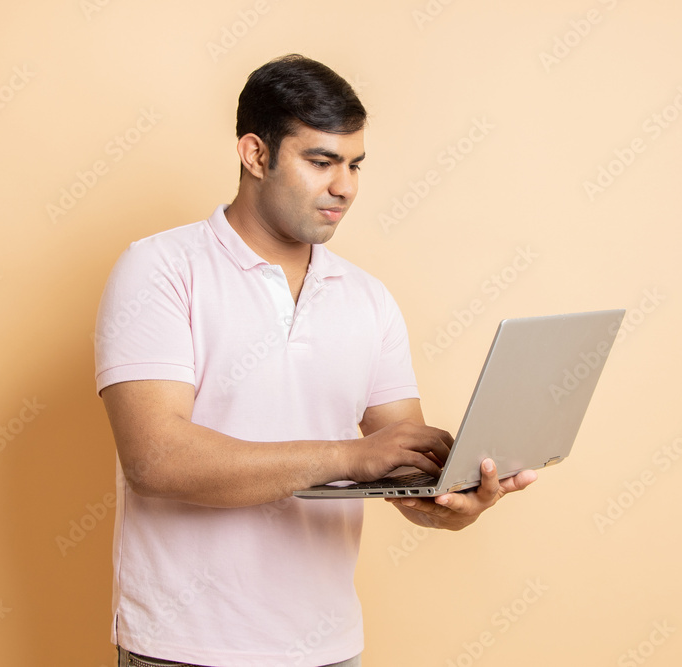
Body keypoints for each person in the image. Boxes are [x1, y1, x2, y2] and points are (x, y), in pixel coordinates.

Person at [94, 54, 536, 667]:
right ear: (256, 154)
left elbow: (398, 462)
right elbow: (156, 459)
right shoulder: (160, 269)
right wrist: (348, 457)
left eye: (355, 164)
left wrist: (454, 498)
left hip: (328, 647)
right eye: (321, 162)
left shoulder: (369, 298)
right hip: (185, 646)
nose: (345, 187)